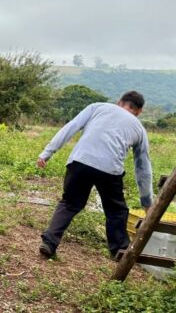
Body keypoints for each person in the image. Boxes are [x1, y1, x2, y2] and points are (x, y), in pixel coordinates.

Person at [37, 91, 153, 260]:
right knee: (116, 211)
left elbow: (71, 127)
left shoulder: (97, 107)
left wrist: (47, 153)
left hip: (80, 162)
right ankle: (119, 251)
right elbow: (143, 167)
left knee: (69, 203)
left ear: (119, 102)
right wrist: (147, 202)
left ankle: (49, 243)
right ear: (139, 111)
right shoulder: (139, 128)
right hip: (110, 170)